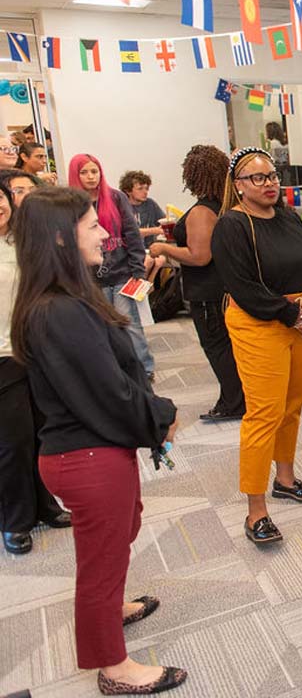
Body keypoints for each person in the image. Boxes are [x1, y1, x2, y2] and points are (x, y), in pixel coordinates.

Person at [11, 187, 187, 695]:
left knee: (122, 528)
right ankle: (112, 666)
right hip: (85, 456)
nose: (105, 232)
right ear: (62, 238)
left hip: (91, 449)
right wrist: (160, 417)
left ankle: (111, 611)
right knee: (101, 563)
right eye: (92, 226)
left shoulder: (66, 297)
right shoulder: (58, 311)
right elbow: (108, 392)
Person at [212, 147, 302, 546]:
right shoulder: (232, 225)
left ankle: (284, 478)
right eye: (257, 178)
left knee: (292, 406)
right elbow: (243, 287)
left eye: (272, 176)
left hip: (301, 318)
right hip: (259, 322)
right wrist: (292, 315)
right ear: (239, 186)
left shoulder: (288, 217)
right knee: (264, 412)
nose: (269, 184)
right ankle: (255, 510)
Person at [148, 146, 245, 423]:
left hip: (208, 290)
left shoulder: (202, 211)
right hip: (226, 286)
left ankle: (234, 401)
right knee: (230, 347)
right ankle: (239, 397)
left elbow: (199, 256)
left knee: (217, 346)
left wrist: (163, 249)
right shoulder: (227, 203)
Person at [0, 177, 70, 555]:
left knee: (45, 433)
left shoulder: (24, 243)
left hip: (36, 349)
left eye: (0, 197)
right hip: (2, 358)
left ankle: (45, 506)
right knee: (13, 443)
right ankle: (14, 521)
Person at [68, 154, 155, 379]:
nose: (90, 177)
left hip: (122, 272)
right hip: (91, 278)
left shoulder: (115, 197)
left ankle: (144, 369)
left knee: (130, 324)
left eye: (94, 171)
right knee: (101, 326)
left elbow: (132, 235)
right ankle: (114, 370)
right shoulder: (70, 202)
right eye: (84, 172)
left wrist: (137, 270)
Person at [119, 170, 167, 283]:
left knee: (161, 260)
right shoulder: (123, 206)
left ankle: (147, 290)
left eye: (146, 189)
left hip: (149, 249)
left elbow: (163, 223)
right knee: (149, 261)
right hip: (130, 251)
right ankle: (137, 289)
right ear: (128, 190)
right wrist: (155, 230)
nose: (145, 192)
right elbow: (128, 232)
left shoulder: (150, 204)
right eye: (140, 189)